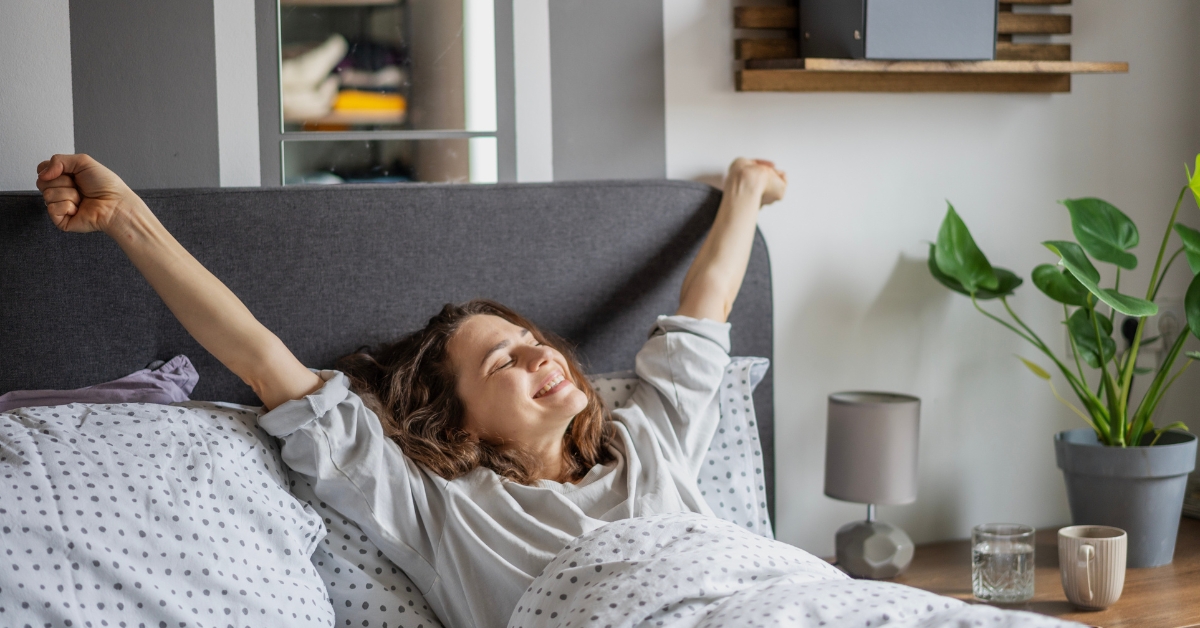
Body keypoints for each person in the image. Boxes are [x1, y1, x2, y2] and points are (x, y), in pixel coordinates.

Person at [35, 154, 787, 628]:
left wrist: (745, 191)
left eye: (534, 343)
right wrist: (128, 217)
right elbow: (262, 359)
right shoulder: (437, 504)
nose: (540, 357)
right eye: (504, 363)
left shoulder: (649, 438)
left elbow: (705, 309)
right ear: (455, 423)